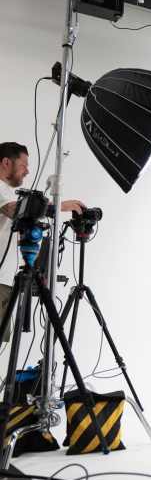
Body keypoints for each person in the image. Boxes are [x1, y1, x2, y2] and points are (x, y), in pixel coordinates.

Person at [0, 142, 84, 343]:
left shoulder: (6, 191)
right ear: (5, 163)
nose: (27, 171)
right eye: (23, 165)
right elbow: (14, 210)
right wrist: (60, 205)